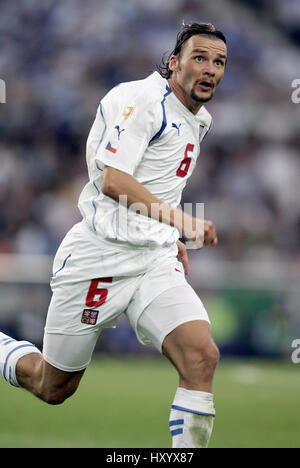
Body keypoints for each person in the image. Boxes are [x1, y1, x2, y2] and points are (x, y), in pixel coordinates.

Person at [0, 22, 227, 448]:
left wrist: (165, 232)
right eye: (200, 58)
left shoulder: (201, 121)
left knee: (202, 356)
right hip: (99, 256)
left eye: (219, 62)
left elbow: (158, 184)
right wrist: (183, 223)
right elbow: (115, 182)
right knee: (54, 386)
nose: (210, 69)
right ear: (174, 62)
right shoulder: (141, 100)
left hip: (153, 259)